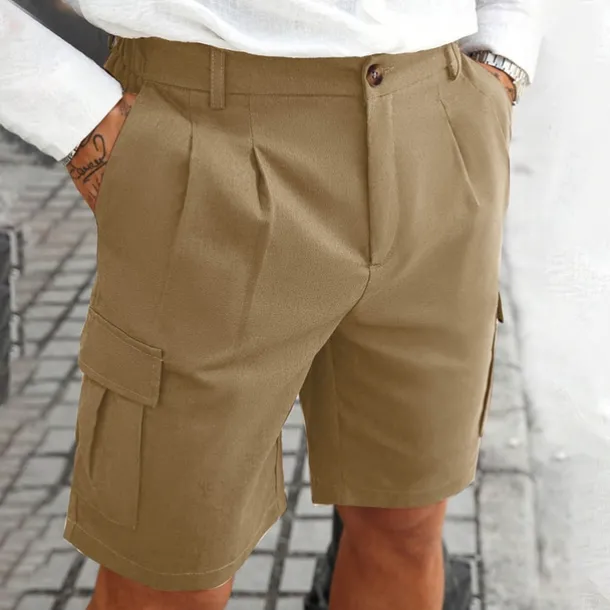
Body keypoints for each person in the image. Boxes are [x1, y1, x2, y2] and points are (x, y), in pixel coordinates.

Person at [0, 1, 541, 609]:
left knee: (407, 526)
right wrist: (74, 115)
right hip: (206, 129)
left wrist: (505, 51)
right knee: (167, 578)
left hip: (432, 126)